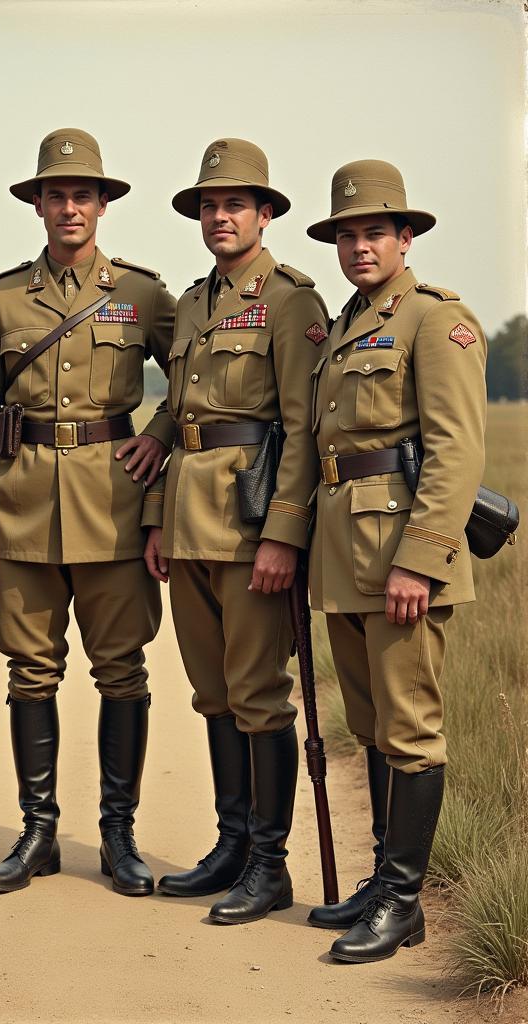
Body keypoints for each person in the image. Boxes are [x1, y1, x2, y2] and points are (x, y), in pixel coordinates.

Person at [0, 128, 176, 897]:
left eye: (83, 194)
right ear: (39, 205)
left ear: (103, 204)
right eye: (56, 195)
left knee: (121, 671)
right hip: (19, 510)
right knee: (30, 672)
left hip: (114, 506)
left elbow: (204, 377)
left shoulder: (143, 293)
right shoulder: (1, 297)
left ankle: (118, 836)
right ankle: (39, 832)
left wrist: (156, 436)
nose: (69, 207)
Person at [304, 160, 486, 962]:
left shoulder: (435, 320)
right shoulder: (347, 325)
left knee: (410, 731)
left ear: (405, 238)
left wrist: (423, 559)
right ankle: (383, 882)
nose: (358, 246)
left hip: (402, 558)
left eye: (373, 231)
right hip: (347, 553)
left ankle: (405, 901)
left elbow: (455, 451)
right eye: (346, 234)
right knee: (373, 727)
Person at [143, 139, 328, 924]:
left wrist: (284, 535)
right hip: (187, 523)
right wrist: (156, 519)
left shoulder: (291, 301)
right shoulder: (192, 302)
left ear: (264, 214)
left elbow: (302, 426)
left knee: (258, 697)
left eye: (235, 206)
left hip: (251, 527)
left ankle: (271, 864)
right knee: (212, 693)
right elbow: (179, 415)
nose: (220, 217)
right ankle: (230, 845)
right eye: (208, 207)